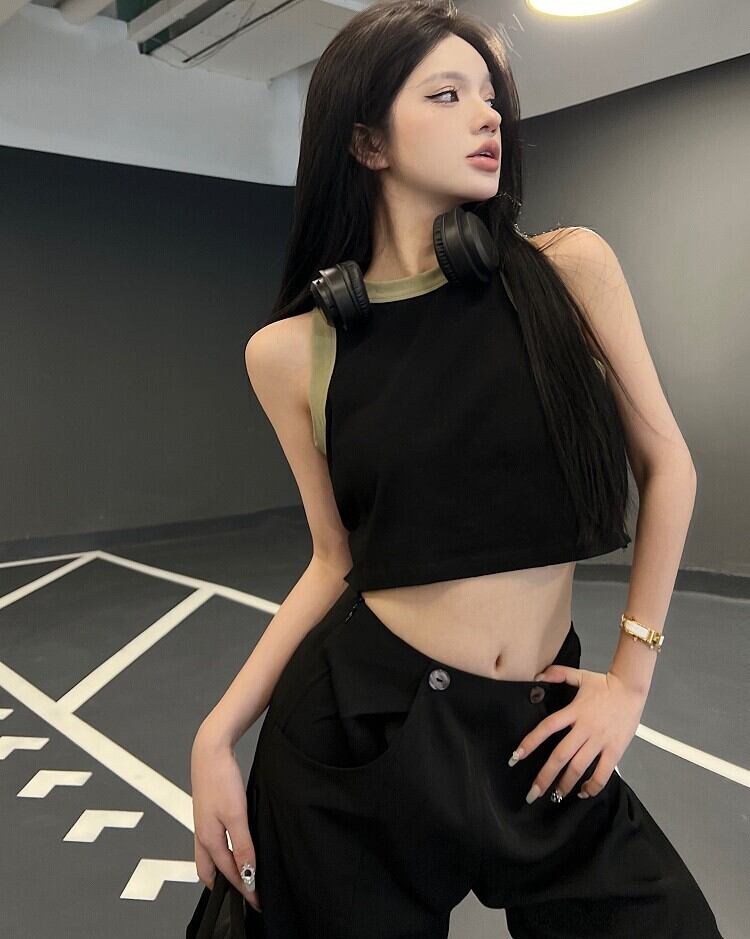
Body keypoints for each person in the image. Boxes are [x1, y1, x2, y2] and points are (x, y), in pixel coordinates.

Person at [188, 1, 723, 936]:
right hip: (360, 738)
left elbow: (669, 464)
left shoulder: (568, 270)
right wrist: (215, 732)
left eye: (491, 96)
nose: (489, 117)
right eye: (447, 94)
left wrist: (630, 681)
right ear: (368, 142)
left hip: (540, 728)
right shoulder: (291, 352)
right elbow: (333, 558)